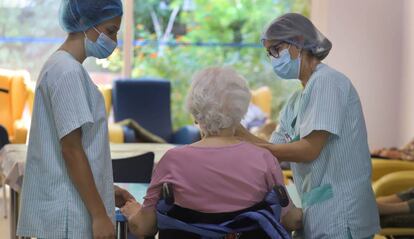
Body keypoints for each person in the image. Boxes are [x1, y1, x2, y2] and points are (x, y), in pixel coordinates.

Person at [236, 13, 380, 238]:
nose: (273, 58)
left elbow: (308, 149)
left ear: (298, 42)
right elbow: (273, 150)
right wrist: (236, 131)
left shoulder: (328, 82)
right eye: (269, 53)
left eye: (276, 49)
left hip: (341, 213)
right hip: (316, 209)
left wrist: (247, 141)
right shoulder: (296, 101)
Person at [120, 67, 302, 238]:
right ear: (240, 112)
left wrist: (134, 212)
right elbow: (291, 219)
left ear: (195, 112)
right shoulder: (264, 159)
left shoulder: (172, 161)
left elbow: (145, 226)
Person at [17, 1, 133, 238]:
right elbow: (71, 150)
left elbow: (75, 153)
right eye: (111, 31)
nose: (114, 41)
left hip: (69, 205)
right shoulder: (67, 72)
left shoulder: (62, 67)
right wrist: (100, 214)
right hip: (69, 216)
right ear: (83, 22)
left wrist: (105, 192)